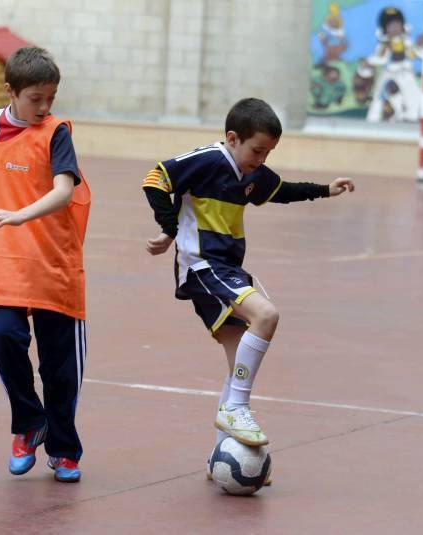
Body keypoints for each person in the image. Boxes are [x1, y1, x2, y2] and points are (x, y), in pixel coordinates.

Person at [142, 97, 354, 462]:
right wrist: (168, 228)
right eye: (257, 150)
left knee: (238, 351)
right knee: (266, 316)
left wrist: (325, 190)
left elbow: (281, 191)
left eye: (268, 153)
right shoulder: (208, 160)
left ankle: (223, 451)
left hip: (229, 268)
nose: (261, 160)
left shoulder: (251, 171)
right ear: (232, 138)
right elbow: (155, 178)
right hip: (203, 266)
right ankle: (236, 407)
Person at [0, 46, 92, 483]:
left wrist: (17, 214)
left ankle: (65, 450)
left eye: (51, 97)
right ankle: (29, 422)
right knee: (4, 338)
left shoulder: (56, 133)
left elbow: (64, 191)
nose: (44, 107)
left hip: (51, 262)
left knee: (58, 366)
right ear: (10, 91)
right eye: (36, 98)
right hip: (4, 260)